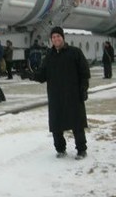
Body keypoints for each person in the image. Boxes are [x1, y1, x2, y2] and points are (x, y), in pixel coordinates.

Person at [31, 26, 91, 160]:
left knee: (77, 123)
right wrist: (31, 75)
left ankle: (81, 150)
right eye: (53, 37)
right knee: (56, 124)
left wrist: (84, 88)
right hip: (55, 95)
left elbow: (84, 72)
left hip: (73, 94)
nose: (56, 39)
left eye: (58, 36)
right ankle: (60, 149)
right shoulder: (49, 56)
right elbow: (42, 75)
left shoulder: (74, 52)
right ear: (51, 40)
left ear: (63, 37)